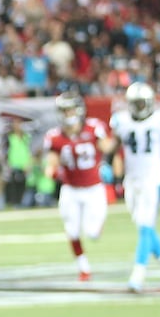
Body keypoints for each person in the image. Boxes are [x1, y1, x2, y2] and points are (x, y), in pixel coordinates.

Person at [109, 82, 160, 292]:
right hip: (132, 180)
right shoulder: (121, 120)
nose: (139, 107)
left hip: (153, 179)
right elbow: (113, 146)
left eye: (142, 103)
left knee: (146, 227)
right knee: (143, 225)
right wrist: (106, 163)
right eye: (135, 103)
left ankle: (138, 275)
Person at [43, 91, 112, 282]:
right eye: (64, 110)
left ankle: (97, 229)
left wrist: (109, 162)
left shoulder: (94, 127)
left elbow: (108, 147)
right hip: (71, 189)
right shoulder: (55, 136)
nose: (67, 114)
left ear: (79, 109)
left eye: (70, 109)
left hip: (94, 188)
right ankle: (84, 268)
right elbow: (51, 164)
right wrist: (52, 171)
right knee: (72, 231)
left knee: (92, 233)